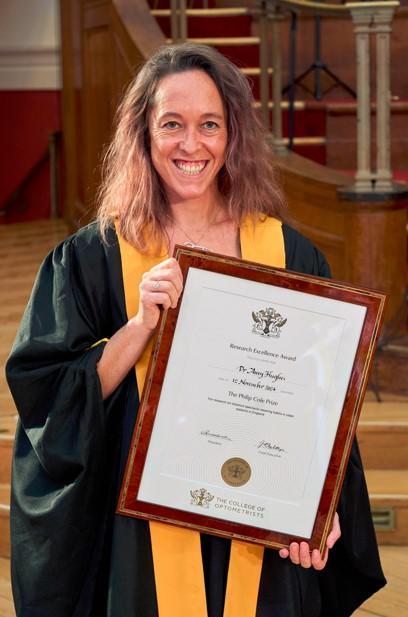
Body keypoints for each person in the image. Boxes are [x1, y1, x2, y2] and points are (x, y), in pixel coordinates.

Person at [6, 43, 385, 617]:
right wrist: (139, 327)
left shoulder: (288, 254)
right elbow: (49, 402)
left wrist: (318, 506)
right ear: (143, 134)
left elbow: (323, 413)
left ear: (233, 134)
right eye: (171, 125)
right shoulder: (93, 259)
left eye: (210, 124)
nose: (191, 144)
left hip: (261, 533)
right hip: (139, 542)